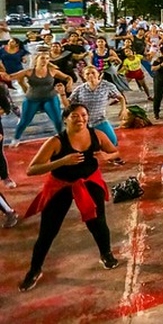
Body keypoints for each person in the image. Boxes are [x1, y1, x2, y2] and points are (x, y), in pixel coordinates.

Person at [18, 104, 122, 291]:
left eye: (83, 115)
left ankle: (106, 254)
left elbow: (116, 151)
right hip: (60, 186)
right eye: (75, 116)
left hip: (89, 182)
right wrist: (62, 161)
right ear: (65, 118)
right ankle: (34, 270)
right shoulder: (56, 142)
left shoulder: (97, 135)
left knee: (98, 223)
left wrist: (107, 157)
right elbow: (31, 169)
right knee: (48, 230)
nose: (80, 119)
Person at [61, 66, 128, 157]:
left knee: (112, 141)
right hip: (84, 123)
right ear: (84, 76)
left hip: (100, 120)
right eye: (87, 74)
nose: (91, 75)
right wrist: (62, 94)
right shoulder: (80, 89)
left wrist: (123, 109)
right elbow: (68, 105)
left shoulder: (107, 86)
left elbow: (120, 97)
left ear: (98, 74)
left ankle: (113, 158)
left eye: (93, 72)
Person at [9, 53, 73, 147]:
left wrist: (69, 83)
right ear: (37, 60)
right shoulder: (29, 71)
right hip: (32, 99)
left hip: (50, 98)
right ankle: (16, 139)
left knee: (57, 120)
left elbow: (67, 77)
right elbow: (10, 77)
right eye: (42, 58)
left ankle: (63, 139)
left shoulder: (52, 71)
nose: (45, 60)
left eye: (47, 58)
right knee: (24, 121)